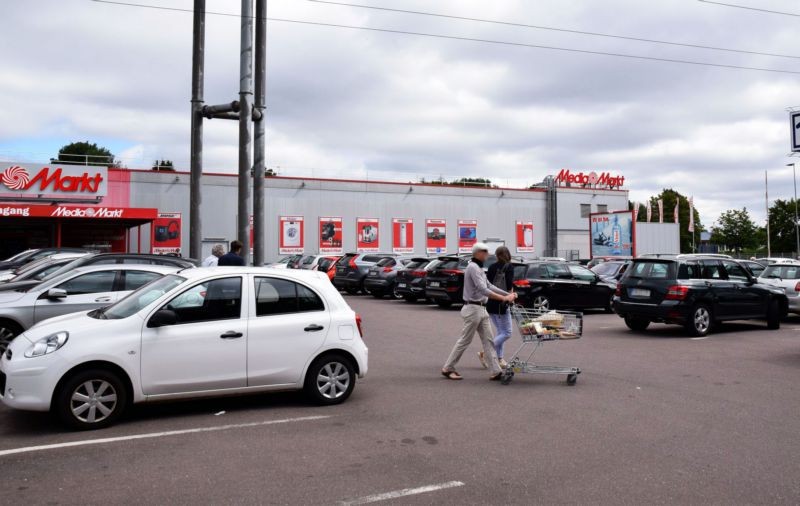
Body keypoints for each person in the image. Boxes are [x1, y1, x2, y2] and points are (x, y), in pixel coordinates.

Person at [441, 242, 517, 381]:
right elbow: (483, 289)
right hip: (473, 309)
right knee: (464, 340)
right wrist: (504, 298)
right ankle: (448, 368)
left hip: (481, 309)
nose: (488, 255)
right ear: (478, 253)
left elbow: (490, 285)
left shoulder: (479, 268)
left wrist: (507, 294)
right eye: (485, 252)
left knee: (489, 342)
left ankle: (496, 370)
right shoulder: (473, 267)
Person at [479, 246, 515, 369]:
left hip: (491, 302)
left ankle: (499, 358)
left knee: (501, 332)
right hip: (502, 303)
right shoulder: (509, 267)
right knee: (507, 332)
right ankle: (486, 353)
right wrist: (511, 296)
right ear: (508, 254)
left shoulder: (492, 267)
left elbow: (487, 285)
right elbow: (509, 285)